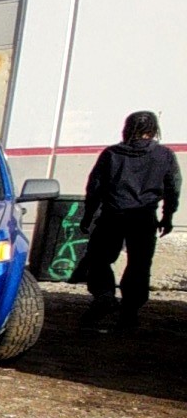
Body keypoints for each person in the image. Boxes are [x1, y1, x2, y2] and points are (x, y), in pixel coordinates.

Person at [77, 111, 179, 333]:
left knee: (99, 258)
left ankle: (104, 295)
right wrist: (168, 216)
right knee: (139, 265)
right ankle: (129, 313)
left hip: (112, 216)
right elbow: (173, 188)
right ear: (153, 131)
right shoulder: (165, 155)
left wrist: (88, 215)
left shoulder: (111, 154)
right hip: (144, 218)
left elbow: (94, 187)